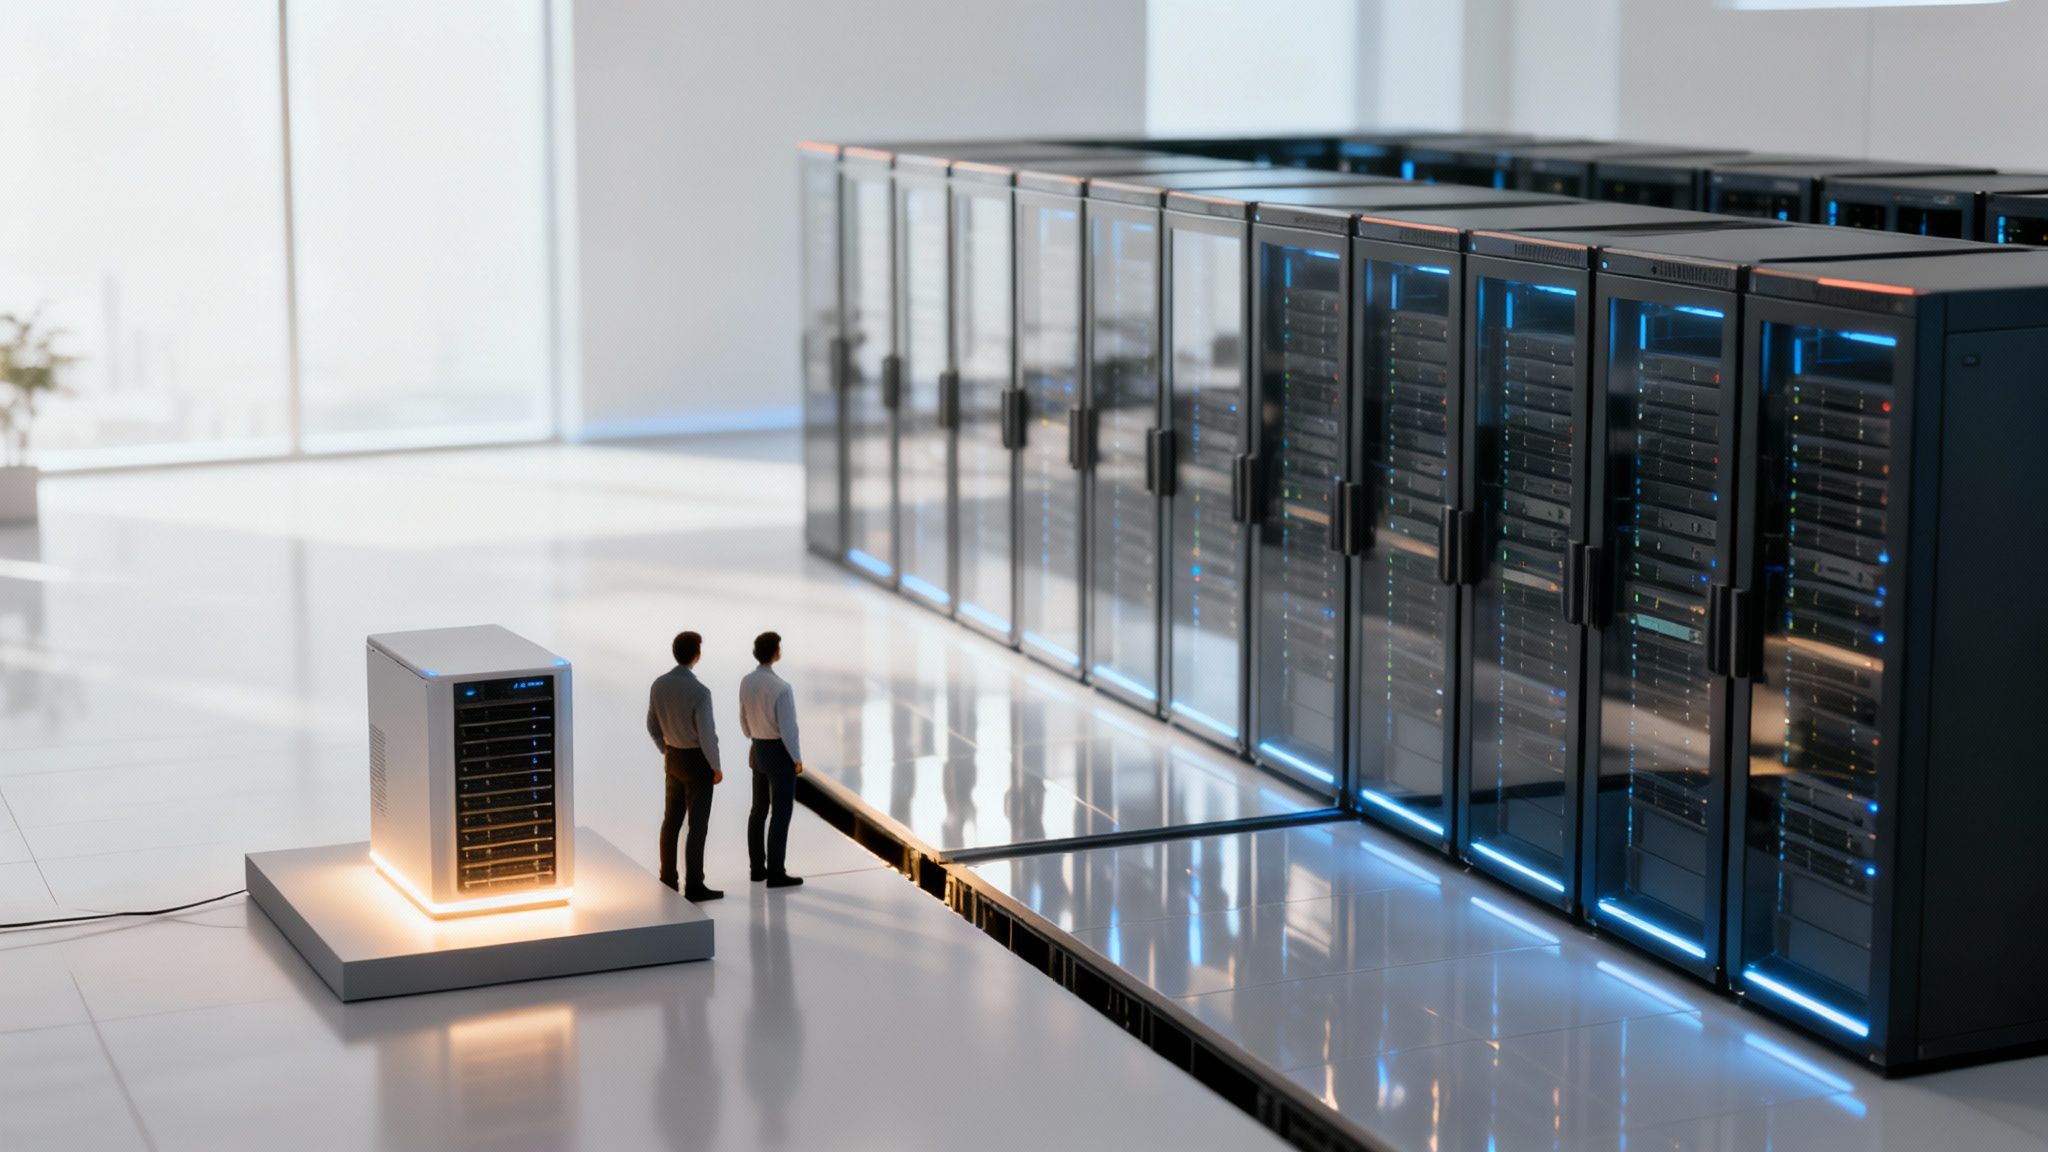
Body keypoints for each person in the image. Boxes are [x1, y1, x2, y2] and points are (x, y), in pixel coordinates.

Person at [647, 630, 723, 900]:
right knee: (697, 825)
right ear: (696, 655)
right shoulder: (700, 692)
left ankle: (667, 879)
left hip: (673, 759)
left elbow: (652, 726)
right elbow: (707, 735)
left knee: (671, 822)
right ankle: (694, 885)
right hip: (697, 762)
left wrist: (665, 749)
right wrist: (716, 766)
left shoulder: (659, 685)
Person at [739, 630, 803, 888]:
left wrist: (753, 735)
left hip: (757, 750)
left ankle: (757, 868)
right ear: (775, 653)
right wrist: (797, 758)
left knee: (758, 810)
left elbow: (743, 719)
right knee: (781, 812)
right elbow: (789, 729)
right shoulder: (782, 688)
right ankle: (776, 870)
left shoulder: (746, 681)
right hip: (779, 752)